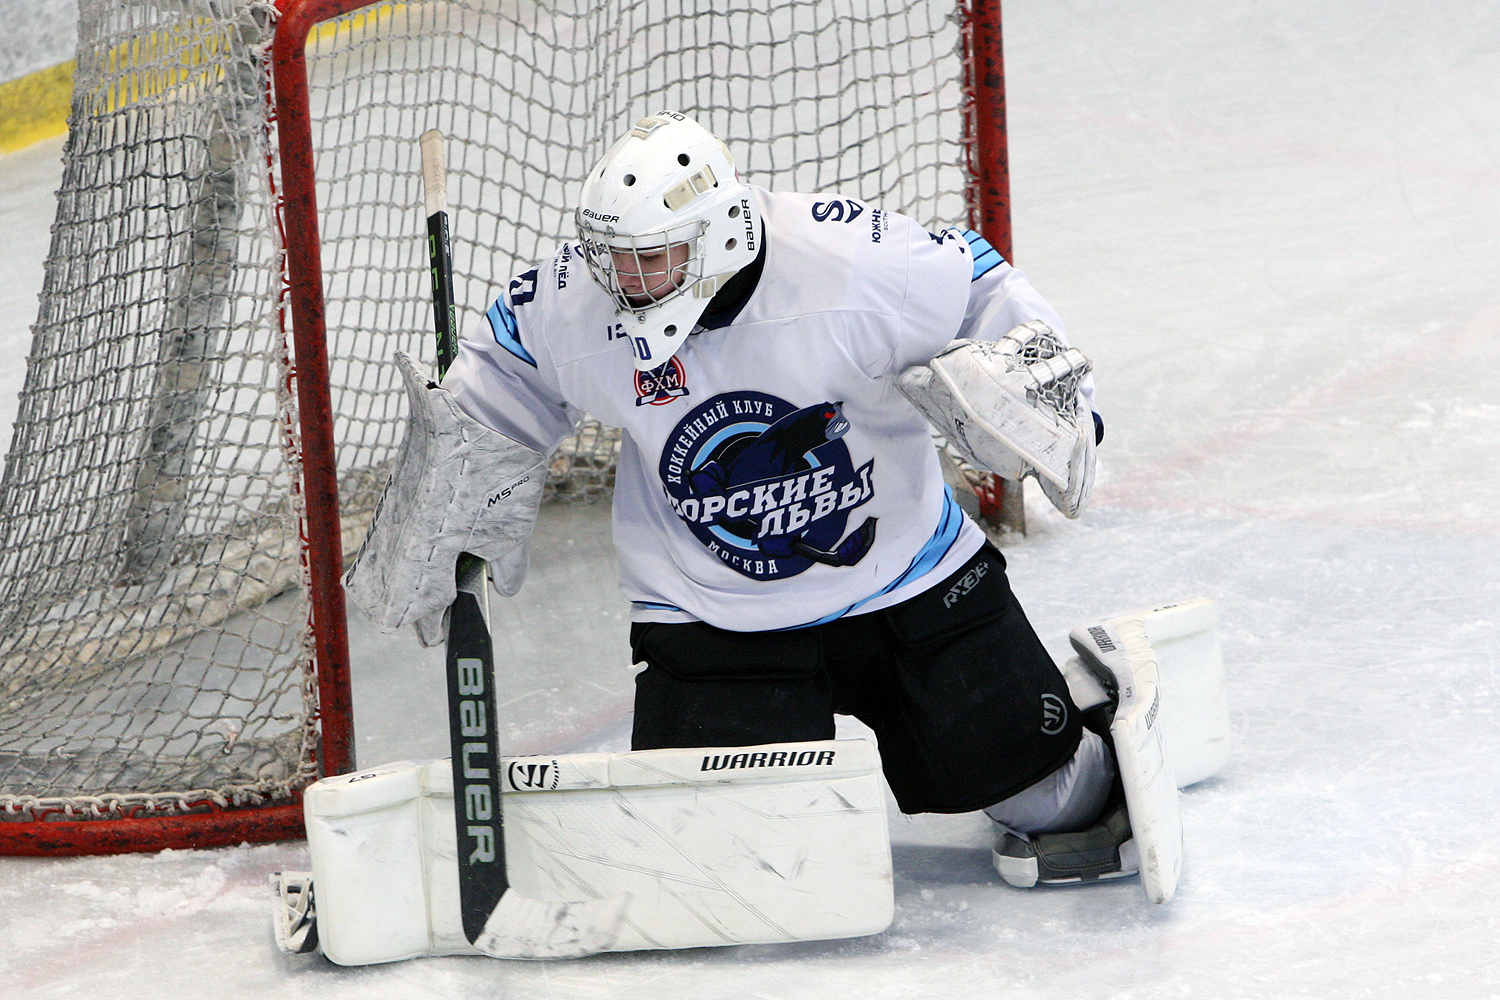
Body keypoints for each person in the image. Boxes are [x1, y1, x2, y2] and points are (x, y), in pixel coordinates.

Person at [349, 110, 1133, 888]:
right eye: (612, 260)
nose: (625, 283)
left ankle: (1089, 725)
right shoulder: (581, 299)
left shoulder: (847, 259)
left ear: (720, 234)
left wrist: (1056, 400)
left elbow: (982, 284)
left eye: (651, 260)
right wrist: (456, 475)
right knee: (714, 859)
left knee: (1052, 800)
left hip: (910, 578)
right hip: (712, 614)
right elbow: (503, 370)